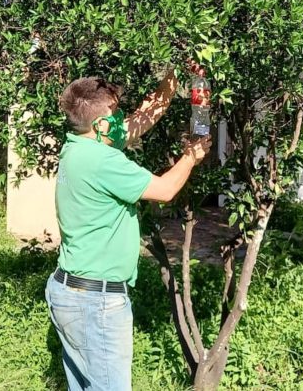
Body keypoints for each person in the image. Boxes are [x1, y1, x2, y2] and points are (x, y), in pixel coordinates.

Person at [45, 65, 211, 391]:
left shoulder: (77, 146)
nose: (124, 118)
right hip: (97, 302)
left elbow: (143, 118)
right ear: (103, 123)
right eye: (117, 112)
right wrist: (191, 156)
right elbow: (164, 191)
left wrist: (189, 76)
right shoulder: (103, 162)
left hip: (69, 292)